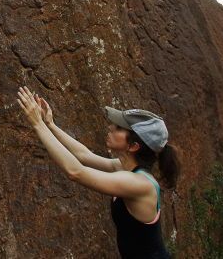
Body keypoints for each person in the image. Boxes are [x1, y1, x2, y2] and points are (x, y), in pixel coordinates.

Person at [16, 86, 179, 258]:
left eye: (118, 128)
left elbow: (76, 172)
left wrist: (37, 124)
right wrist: (50, 124)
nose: (110, 128)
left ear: (133, 146)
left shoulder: (139, 184)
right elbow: (83, 156)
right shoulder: (124, 168)